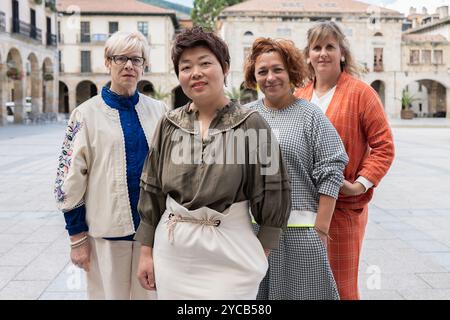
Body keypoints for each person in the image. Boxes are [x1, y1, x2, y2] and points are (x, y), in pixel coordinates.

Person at [134, 27, 291, 300]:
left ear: (225, 67)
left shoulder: (251, 124)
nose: (195, 73)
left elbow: (273, 189)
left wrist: (261, 254)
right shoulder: (169, 124)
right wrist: (146, 252)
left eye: (205, 63)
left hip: (232, 255)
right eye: (186, 66)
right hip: (174, 254)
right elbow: (152, 189)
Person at [54, 31, 167, 300]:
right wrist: (77, 237)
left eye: (136, 59)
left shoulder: (160, 111)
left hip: (151, 236)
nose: (129, 65)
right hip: (106, 235)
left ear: (144, 65)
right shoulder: (85, 114)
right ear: (108, 62)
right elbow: (68, 178)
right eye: (120, 58)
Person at [295, 21, 395, 300]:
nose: (323, 53)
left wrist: (361, 184)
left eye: (330, 46)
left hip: (342, 209)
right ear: (308, 55)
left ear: (342, 53)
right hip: (303, 208)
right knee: (306, 285)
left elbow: (384, 146)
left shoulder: (361, 93)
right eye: (317, 47)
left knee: (341, 287)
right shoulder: (299, 96)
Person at [244, 37, 348, 300]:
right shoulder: (244, 117)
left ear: (291, 70)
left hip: (300, 235)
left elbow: (332, 170)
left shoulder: (310, 116)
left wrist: (321, 230)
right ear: (254, 77)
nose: (270, 77)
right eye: (262, 71)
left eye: (277, 69)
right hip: (252, 236)